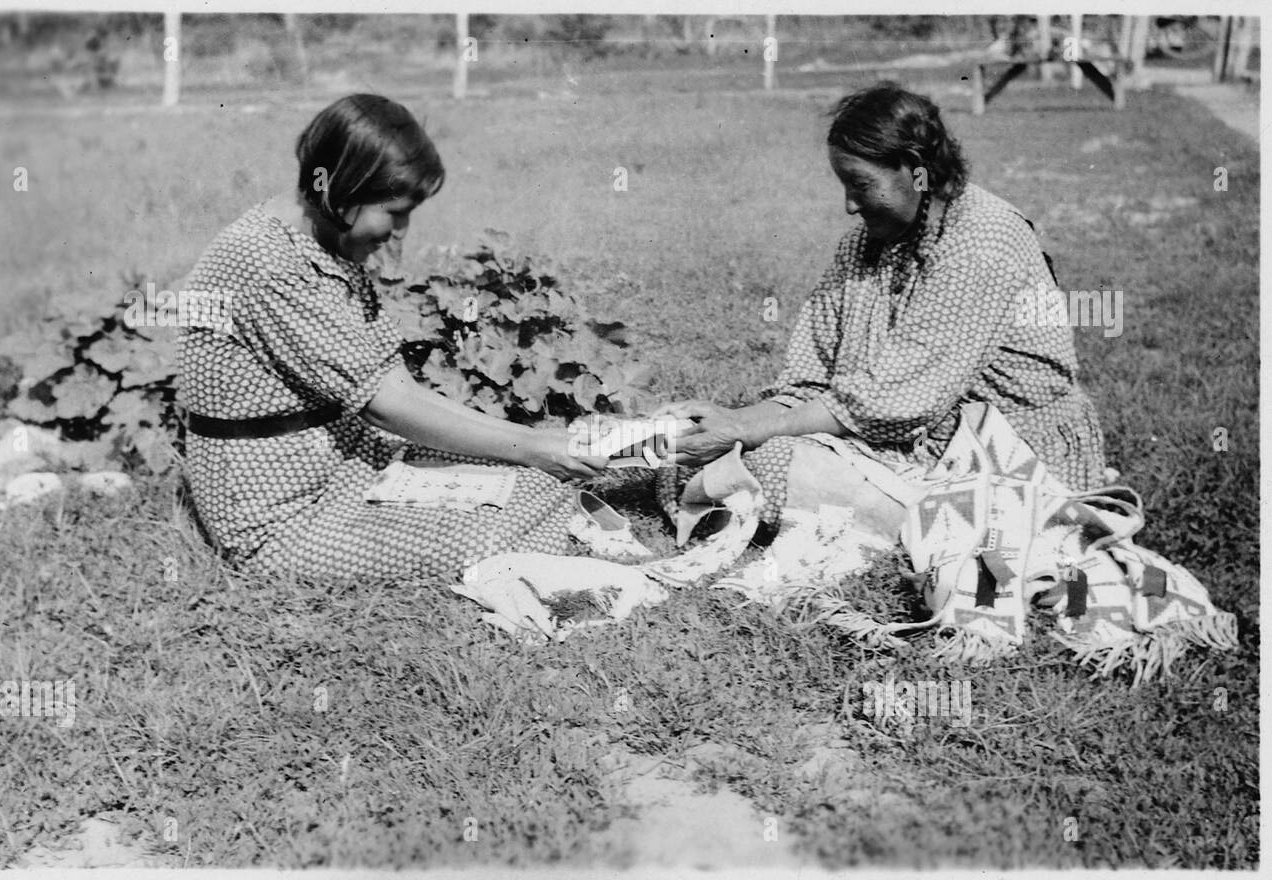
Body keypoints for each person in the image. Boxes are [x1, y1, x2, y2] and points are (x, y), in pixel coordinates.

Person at [176, 94, 607, 577]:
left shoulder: (320, 241)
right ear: (341, 189)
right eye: (394, 211)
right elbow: (388, 404)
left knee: (531, 479)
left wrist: (533, 445)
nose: (401, 230)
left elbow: (396, 385)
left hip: (345, 465)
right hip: (281, 517)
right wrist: (533, 446)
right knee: (509, 513)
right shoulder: (265, 263)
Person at [663, 81, 1106, 530]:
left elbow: (891, 404)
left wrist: (746, 432)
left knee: (762, 463)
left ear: (915, 170)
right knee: (687, 456)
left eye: (860, 184)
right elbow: (811, 381)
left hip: (1003, 456)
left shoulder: (983, 241)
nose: (850, 205)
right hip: (900, 441)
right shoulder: (865, 243)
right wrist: (731, 421)